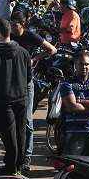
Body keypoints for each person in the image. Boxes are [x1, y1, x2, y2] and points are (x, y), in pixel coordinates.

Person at [0, 19, 32, 175]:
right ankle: (18, 163)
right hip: (21, 98)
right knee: (20, 133)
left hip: (3, 100)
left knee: (9, 135)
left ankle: (11, 166)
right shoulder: (24, 52)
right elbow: (29, 77)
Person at [10, 11, 56, 170]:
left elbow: (52, 50)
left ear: (22, 25)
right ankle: (14, 155)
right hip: (10, 81)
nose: (13, 28)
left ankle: (27, 157)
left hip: (27, 81)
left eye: (15, 25)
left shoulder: (31, 36)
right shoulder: (9, 36)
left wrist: (35, 58)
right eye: (11, 24)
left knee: (28, 120)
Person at [60, 51, 89, 159]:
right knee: (72, 167)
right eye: (81, 64)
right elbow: (73, 107)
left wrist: (83, 101)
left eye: (87, 64)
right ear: (75, 65)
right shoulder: (67, 84)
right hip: (75, 133)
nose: (84, 67)